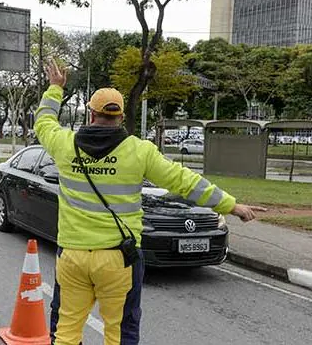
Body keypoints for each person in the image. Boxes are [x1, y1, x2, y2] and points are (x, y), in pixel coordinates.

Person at [34, 59, 267, 345]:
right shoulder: (140, 151)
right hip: (119, 258)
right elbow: (185, 181)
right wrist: (231, 205)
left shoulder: (64, 144)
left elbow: (44, 121)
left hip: (72, 256)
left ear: (91, 116)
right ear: (120, 117)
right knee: (120, 332)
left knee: (66, 331)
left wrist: (55, 88)